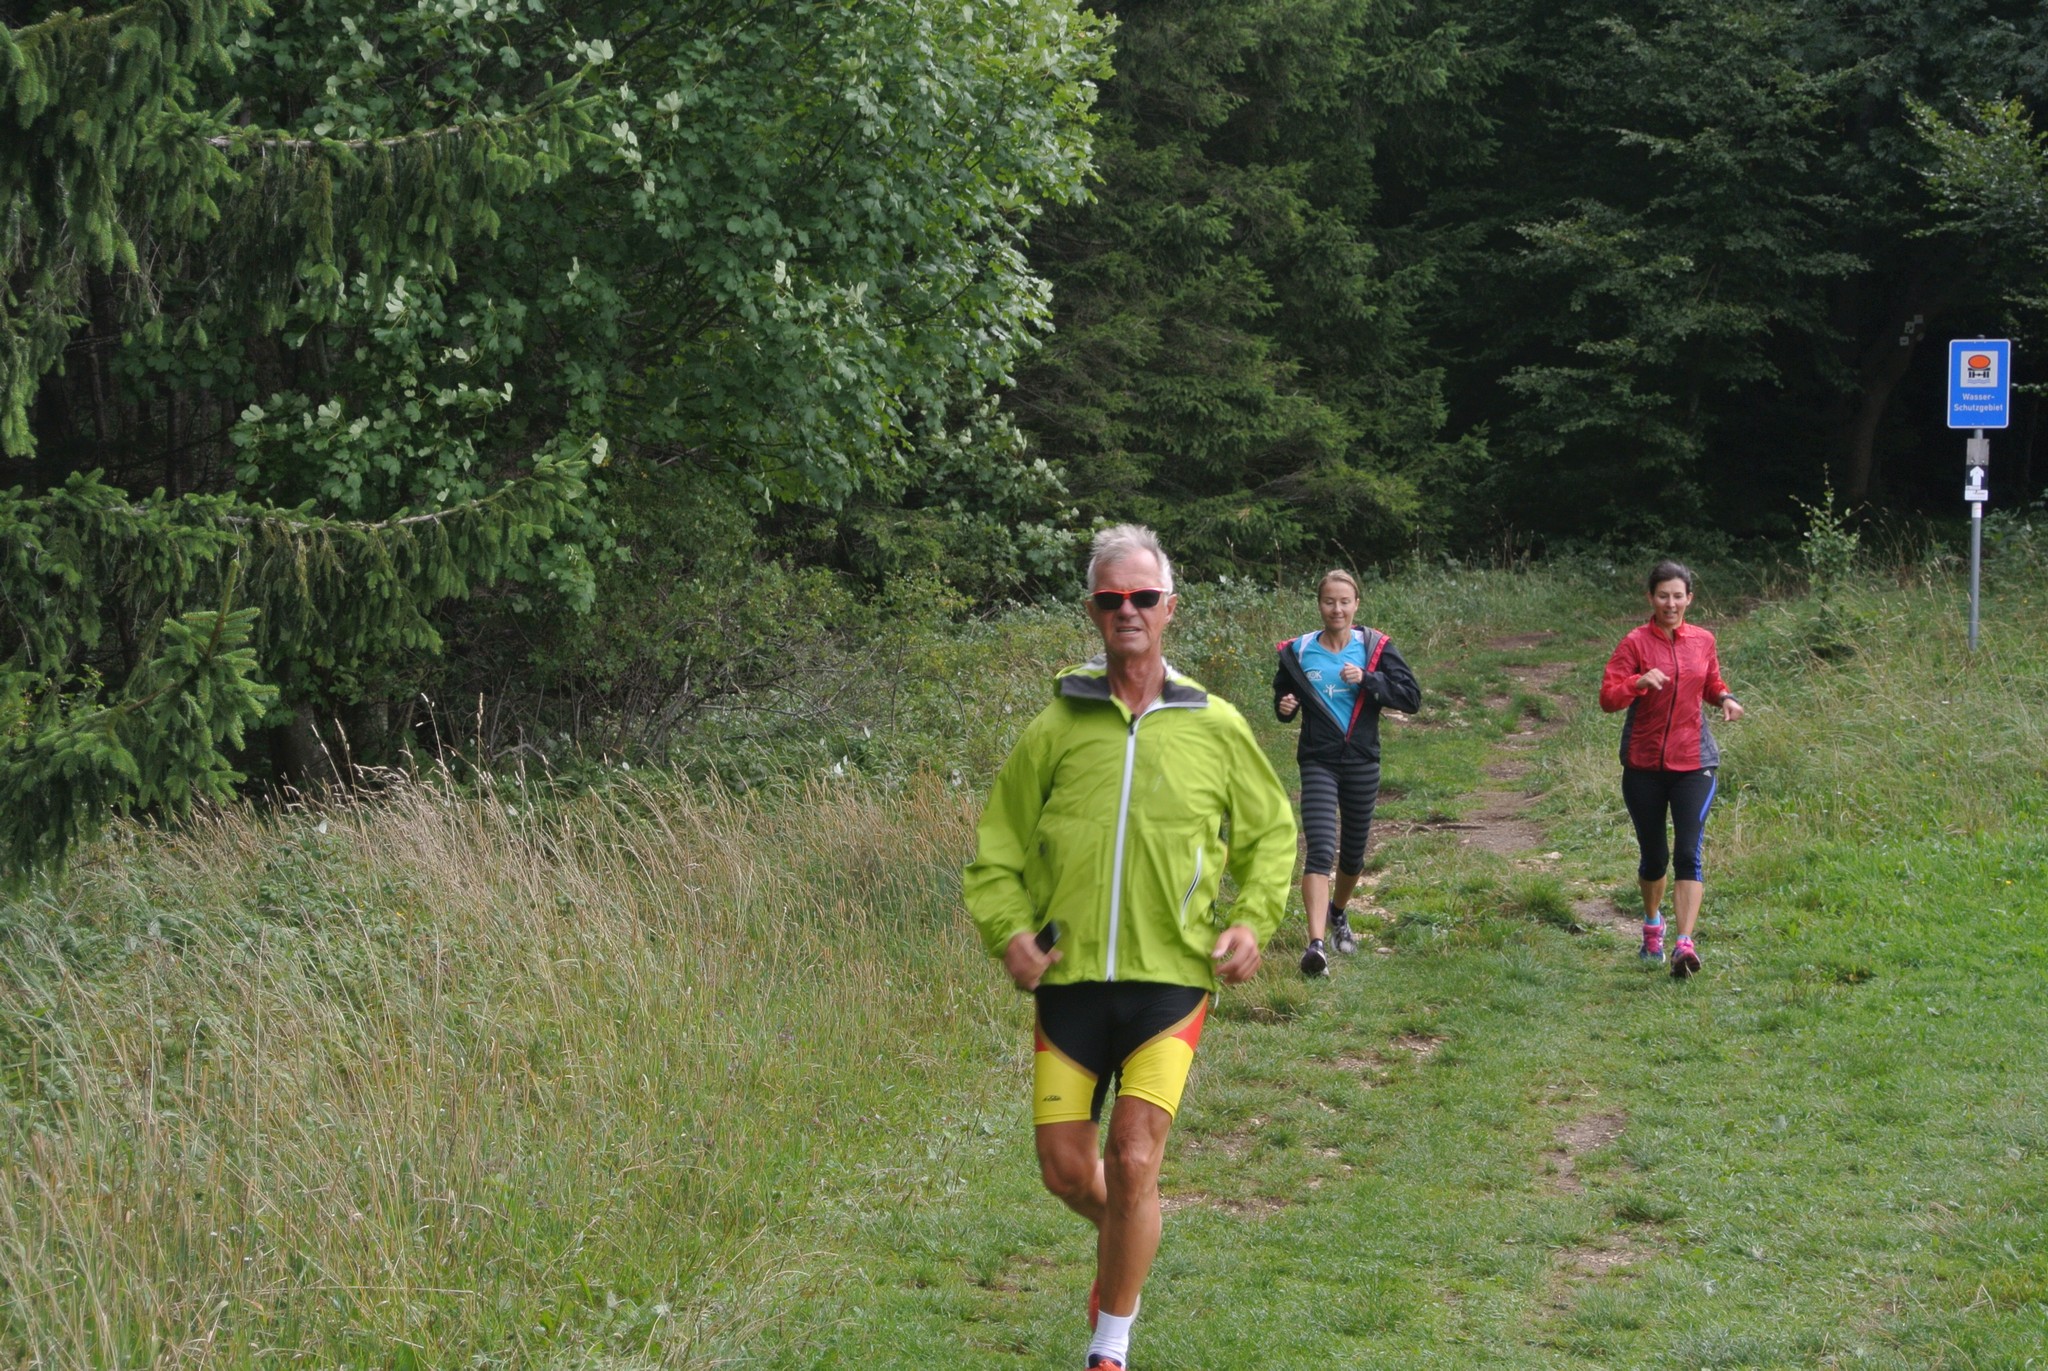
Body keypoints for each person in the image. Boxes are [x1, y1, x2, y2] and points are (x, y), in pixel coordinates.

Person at [963, 524, 1297, 1371]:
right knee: (1067, 1171)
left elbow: (1271, 832)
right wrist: (1009, 932)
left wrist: (1252, 920)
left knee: (1135, 1153)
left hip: (1171, 979)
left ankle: (1109, 1344)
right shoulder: (1055, 726)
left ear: (1169, 607)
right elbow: (996, 850)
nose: (1128, 611)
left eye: (1143, 597)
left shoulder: (1215, 725)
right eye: (1111, 598)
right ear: (1092, 611)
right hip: (1069, 978)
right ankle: (1130, 1228)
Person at [1598, 559, 1744, 978]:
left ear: (1689, 599)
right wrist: (1637, 683)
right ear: (1651, 598)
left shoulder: (1703, 640)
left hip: (1695, 762)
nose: (1671, 603)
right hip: (1643, 765)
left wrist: (1726, 698)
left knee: (1687, 853)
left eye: (1678, 596)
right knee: (1654, 858)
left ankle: (1684, 944)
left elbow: (1711, 682)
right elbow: (1608, 698)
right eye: (1663, 595)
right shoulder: (1634, 643)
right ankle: (1652, 925)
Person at [1272, 569, 1421, 976]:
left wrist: (1369, 680)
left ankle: (1338, 912)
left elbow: (1411, 698)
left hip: (1361, 760)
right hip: (1317, 760)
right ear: (1319, 604)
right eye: (1328, 601)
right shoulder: (1299, 650)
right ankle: (1316, 945)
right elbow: (1283, 696)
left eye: (1344, 602)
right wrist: (1285, 707)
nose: (1336, 609)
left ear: (1356, 605)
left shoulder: (1374, 647)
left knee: (1353, 855)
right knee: (1320, 849)